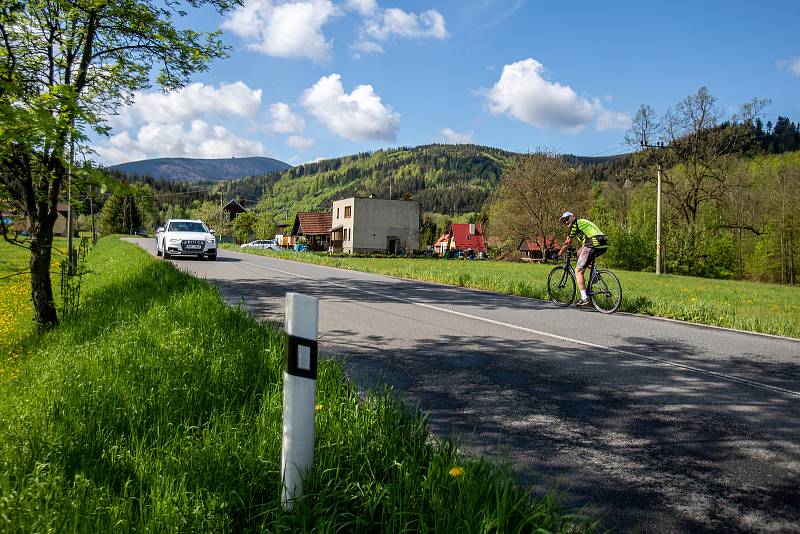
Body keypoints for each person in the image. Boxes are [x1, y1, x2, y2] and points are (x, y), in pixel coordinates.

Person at [557, 211, 608, 306]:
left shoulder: (575, 224)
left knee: (578, 271)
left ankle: (584, 298)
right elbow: (583, 245)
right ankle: (595, 276)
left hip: (592, 243)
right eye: (564, 222)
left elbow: (568, 242)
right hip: (602, 243)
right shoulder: (582, 223)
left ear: (572, 217)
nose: (566, 223)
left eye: (567, 219)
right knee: (580, 255)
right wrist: (577, 253)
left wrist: (559, 253)